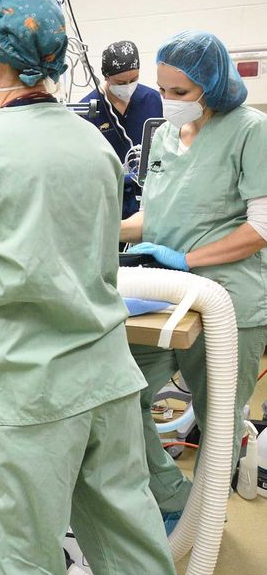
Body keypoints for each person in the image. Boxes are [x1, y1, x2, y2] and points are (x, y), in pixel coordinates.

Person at [0, 0, 175, 575]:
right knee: (130, 540)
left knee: (24, 555)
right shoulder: (95, 144)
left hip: (24, 390)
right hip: (105, 379)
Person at [121, 30, 267, 529]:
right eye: (162, 90)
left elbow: (262, 228)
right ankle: (169, 494)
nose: (169, 102)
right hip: (159, 298)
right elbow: (154, 213)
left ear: (213, 84)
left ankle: (203, 525)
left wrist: (188, 259)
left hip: (229, 299)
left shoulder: (251, 130)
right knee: (123, 396)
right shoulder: (163, 134)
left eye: (180, 93)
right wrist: (106, 227)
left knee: (218, 416)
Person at [80, 41, 164, 218]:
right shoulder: (89, 109)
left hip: (148, 196)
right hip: (108, 198)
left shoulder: (152, 100)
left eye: (133, 80)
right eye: (120, 82)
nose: (128, 86)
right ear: (106, 76)